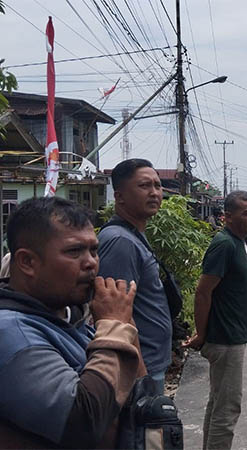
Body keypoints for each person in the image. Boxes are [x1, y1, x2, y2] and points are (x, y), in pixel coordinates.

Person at [0, 197, 142, 448]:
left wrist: (124, 323)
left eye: (93, 250)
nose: (91, 262)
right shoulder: (8, 332)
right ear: (27, 262)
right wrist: (113, 328)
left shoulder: (68, 315)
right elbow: (83, 422)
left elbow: (138, 395)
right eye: (74, 251)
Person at [184, 190, 247, 450]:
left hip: (230, 337)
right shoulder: (225, 244)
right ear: (227, 217)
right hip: (225, 340)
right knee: (227, 410)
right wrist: (201, 334)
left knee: (217, 404)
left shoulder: (237, 242)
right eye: (246, 213)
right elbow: (203, 292)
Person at [97, 158, 170, 395]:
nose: (154, 193)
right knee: (146, 431)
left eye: (157, 186)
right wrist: (141, 375)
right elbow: (117, 314)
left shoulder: (132, 234)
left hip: (151, 362)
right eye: (144, 186)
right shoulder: (120, 242)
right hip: (140, 368)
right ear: (119, 197)